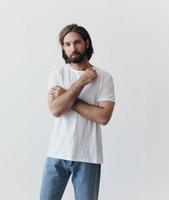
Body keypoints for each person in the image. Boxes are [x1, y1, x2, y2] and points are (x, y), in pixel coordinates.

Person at [39, 24, 115, 200]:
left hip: (88, 155)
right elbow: (56, 110)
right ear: (63, 48)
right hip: (57, 153)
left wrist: (67, 96)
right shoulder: (57, 75)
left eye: (77, 42)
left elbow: (103, 117)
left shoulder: (104, 78)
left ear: (86, 43)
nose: (72, 48)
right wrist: (81, 82)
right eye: (67, 44)